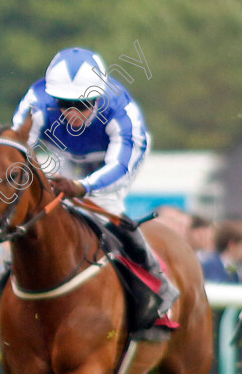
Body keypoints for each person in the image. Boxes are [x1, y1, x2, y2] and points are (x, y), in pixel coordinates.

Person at [11, 46, 178, 334]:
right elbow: (15, 152)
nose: (74, 112)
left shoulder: (123, 114)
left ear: (99, 97)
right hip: (64, 156)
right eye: (65, 103)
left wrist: (81, 187)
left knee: (107, 213)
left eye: (84, 103)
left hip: (112, 161)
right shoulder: (36, 103)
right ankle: (3, 278)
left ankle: (158, 291)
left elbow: (120, 167)